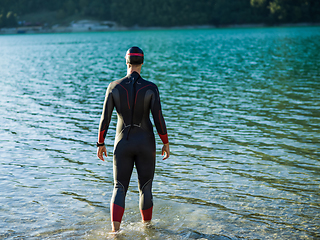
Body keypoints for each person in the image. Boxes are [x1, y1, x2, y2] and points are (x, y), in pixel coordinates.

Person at [96, 46, 170, 232]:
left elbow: (105, 118)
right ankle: (147, 230)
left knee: (119, 187)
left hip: (122, 143)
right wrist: (165, 142)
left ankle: (114, 232)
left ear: (126, 62)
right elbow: (158, 118)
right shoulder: (151, 88)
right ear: (142, 63)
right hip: (146, 143)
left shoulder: (113, 87)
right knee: (145, 188)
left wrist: (100, 143)